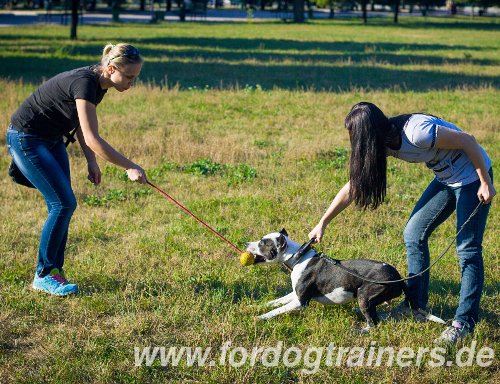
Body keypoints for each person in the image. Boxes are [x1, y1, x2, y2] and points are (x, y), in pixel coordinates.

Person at [308, 102, 495, 344]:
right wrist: (323, 222)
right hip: (446, 179)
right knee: (413, 234)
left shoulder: (418, 132)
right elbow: (354, 185)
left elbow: (468, 141)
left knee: (467, 250)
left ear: (369, 132)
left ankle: (464, 322)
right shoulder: (383, 144)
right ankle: (415, 306)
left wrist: (485, 181)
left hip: (473, 177)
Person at [6, 43, 147, 296]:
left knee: (62, 205)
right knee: (63, 204)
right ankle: (44, 274)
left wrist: (91, 161)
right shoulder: (84, 82)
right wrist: (130, 166)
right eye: (128, 77)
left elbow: (82, 127)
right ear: (111, 68)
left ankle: (53, 272)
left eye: (134, 77)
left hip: (51, 138)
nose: (131, 83)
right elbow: (94, 137)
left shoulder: (99, 85)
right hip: (27, 137)